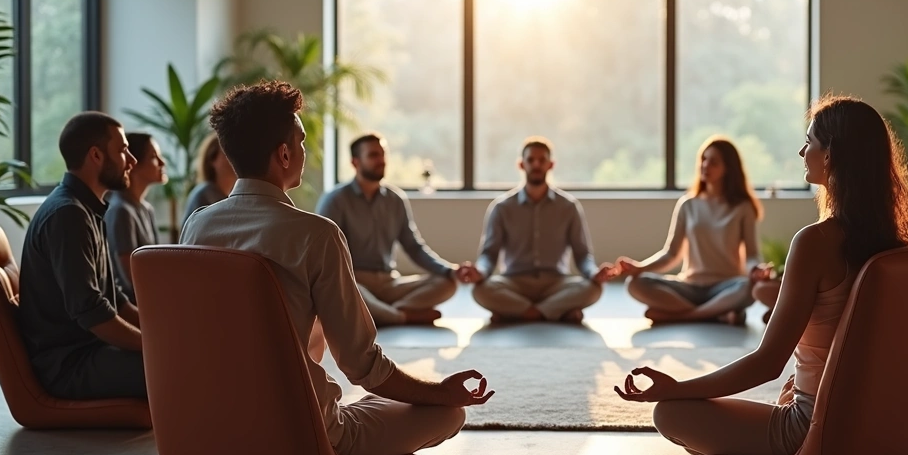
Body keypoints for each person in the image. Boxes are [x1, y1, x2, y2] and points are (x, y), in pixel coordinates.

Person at [182, 81, 492, 455]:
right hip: (304, 434)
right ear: (283, 154)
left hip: (219, 430)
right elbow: (362, 365)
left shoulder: (196, 226)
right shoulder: (316, 234)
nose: (304, 152)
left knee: (314, 328)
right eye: (301, 142)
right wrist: (440, 392)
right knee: (449, 413)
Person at [615, 96, 908, 455]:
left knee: (669, 413)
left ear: (830, 155)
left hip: (814, 431)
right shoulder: (900, 246)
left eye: (809, 142)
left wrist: (678, 388)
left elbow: (766, 363)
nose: (801, 151)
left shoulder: (815, 242)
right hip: (880, 429)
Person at [17, 111, 147, 400]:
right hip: (69, 365)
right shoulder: (68, 215)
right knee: (180, 365)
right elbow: (94, 315)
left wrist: (162, 329)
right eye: (123, 150)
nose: (133, 160)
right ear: (96, 156)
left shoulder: (86, 209)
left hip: (91, 352)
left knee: (186, 354)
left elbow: (115, 299)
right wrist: (157, 347)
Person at [463, 136, 617, 324]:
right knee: (480, 290)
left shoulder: (568, 206)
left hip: (556, 283)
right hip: (513, 282)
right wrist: (480, 272)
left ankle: (516, 313)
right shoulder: (502, 207)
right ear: (521, 165)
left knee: (593, 289)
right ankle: (556, 312)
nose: (536, 164)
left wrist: (594, 273)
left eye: (541, 160)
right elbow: (489, 254)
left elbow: (582, 255)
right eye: (530, 160)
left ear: (551, 165)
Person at [618, 136, 767, 325]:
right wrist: (640, 268)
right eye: (703, 159)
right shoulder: (687, 204)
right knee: (634, 283)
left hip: (726, 286)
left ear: (728, 169)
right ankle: (717, 313)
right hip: (689, 287)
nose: (705, 165)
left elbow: (752, 254)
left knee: (749, 288)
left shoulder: (742, 207)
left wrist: (755, 271)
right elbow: (671, 254)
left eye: (713, 162)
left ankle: (684, 316)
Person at [316, 134, 461, 326]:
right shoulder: (335, 200)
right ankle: (402, 316)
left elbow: (414, 248)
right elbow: (325, 254)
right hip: (353, 281)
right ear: (355, 162)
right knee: (341, 290)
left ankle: (383, 312)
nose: (381, 161)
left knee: (447, 284)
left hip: (389, 282)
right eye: (374, 155)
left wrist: (449, 271)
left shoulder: (395, 200)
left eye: (383, 154)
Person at [105, 132, 167, 303]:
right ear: (134, 164)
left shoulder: (146, 209)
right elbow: (130, 279)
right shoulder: (121, 211)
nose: (162, 163)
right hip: (133, 304)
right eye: (154, 157)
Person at [182, 134, 236, 225]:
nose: (233, 158)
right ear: (212, 159)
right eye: (227, 153)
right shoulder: (206, 194)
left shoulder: (226, 195)